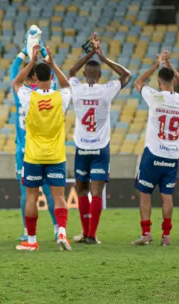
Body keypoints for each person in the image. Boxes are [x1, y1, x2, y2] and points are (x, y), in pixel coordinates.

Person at [69, 34, 131, 245]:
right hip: (101, 148)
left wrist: (89, 55)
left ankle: (85, 232)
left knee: (82, 190)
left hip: (82, 148)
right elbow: (127, 75)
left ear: (85, 74)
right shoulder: (106, 91)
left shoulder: (77, 89)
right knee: (96, 192)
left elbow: (70, 72)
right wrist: (102, 57)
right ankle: (91, 235)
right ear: (101, 74)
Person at [12, 45, 72, 252]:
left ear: (35, 77)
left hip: (34, 156)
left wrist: (31, 61)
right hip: (56, 156)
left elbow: (16, 81)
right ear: (52, 76)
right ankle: (62, 232)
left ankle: (31, 239)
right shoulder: (61, 98)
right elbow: (67, 85)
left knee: (31, 197)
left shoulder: (29, 97)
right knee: (59, 197)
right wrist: (53, 64)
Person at [132, 51, 179, 246]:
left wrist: (157, 65)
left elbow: (138, 83)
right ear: (173, 81)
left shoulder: (155, 97)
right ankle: (166, 236)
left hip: (153, 153)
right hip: (172, 155)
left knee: (145, 192)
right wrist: (170, 65)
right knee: (167, 195)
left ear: (159, 82)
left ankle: (146, 233)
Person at [9, 30, 58, 242]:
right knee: (49, 191)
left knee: (27, 193)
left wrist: (25, 49)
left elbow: (13, 71)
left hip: (25, 151)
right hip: (48, 148)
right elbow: (52, 71)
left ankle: (27, 231)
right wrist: (41, 47)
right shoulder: (47, 91)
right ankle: (58, 228)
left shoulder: (22, 95)